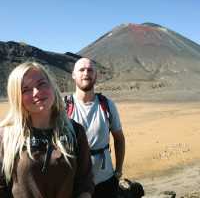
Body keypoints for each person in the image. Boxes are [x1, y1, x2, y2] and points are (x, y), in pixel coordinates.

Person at [0, 61, 94, 198]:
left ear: (52, 86)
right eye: (25, 89)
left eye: (41, 84)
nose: (36, 92)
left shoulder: (75, 131)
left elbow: (84, 181)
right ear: (17, 97)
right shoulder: (5, 136)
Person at [66, 57, 125, 198]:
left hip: (105, 181)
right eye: (81, 70)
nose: (86, 73)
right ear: (73, 75)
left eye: (90, 70)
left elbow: (119, 139)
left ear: (96, 76)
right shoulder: (63, 108)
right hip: (75, 183)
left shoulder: (107, 105)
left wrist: (118, 171)